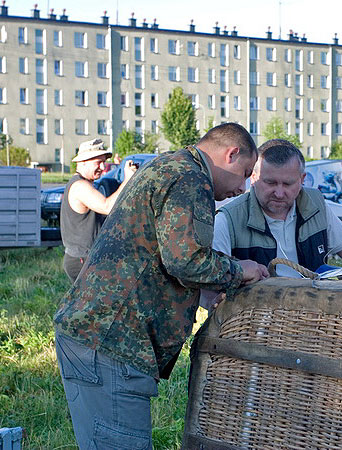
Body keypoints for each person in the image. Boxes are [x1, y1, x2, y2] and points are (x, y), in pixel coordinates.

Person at [53, 123, 269, 449]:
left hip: (97, 335)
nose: (242, 187)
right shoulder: (191, 178)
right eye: (245, 173)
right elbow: (185, 261)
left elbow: (165, 252)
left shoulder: (168, 165)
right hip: (113, 342)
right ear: (231, 153)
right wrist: (241, 269)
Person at [213, 139, 342, 278]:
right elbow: (213, 287)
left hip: (313, 308)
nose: (279, 193)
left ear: (302, 179)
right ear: (254, 178)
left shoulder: (317, 205)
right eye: (270, 183)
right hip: (254, 311)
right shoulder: (228, 219)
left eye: (288, 184)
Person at [60, 138, 137, 282]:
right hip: (82, 260)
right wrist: (128, 180)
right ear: (82, 162)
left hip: (86, 258)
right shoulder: (80, 187)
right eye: (98, 162)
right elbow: (107, 207)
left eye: (104, 162)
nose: (103, 167)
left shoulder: (84, 184)